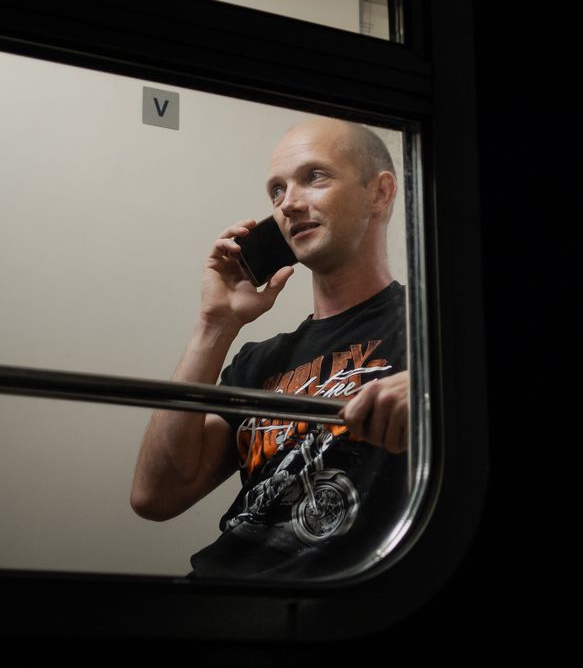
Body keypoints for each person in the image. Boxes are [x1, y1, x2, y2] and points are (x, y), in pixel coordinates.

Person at [130, 117, 411, 579]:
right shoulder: (261, 360)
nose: (289, 204)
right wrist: (215, 324)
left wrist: (432, 392)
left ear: (379, 193)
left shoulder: (430, 326)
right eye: (276, 191)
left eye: (313, 177)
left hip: (335, 608)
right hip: (216, 595)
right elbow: (156, 495)